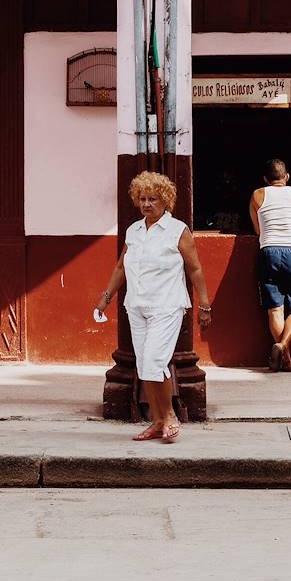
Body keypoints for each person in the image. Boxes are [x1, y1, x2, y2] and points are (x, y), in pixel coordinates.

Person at [96, 171, 212, 443]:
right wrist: (106, 297)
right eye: (143, 199)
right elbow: (121, 266)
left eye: (154, 199)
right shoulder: (134, 230)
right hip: (137, 305)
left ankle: (169, 416)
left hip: (167, 305)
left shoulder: (178, 230)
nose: (147, 204)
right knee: (144, 364)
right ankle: (157, 421)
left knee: (154, 360)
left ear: (166, 200)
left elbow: (194, 269)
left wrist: (204, 304)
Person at [248, 159, 291, 372]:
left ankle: (286, 359)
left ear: (265, 180)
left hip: (268, 252)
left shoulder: (258, 195)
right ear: (287, 177)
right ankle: (282, 345)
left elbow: (258, 230)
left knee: (274, 309)